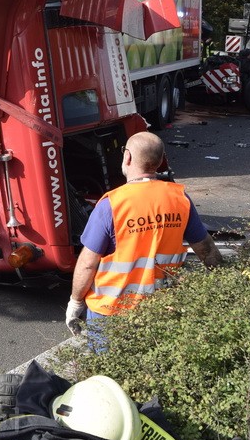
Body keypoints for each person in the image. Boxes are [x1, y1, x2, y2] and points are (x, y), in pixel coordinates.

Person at [65, 132, 222, 342]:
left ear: (127, 157)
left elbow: (87, 263)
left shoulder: (112, 204)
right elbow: (206, 249)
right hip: (160, 309)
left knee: (107, 372)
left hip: (111, 313)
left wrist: (75, 303)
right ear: (159, 161)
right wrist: (224, 285)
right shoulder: (179, 198)